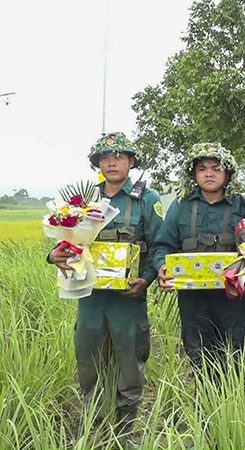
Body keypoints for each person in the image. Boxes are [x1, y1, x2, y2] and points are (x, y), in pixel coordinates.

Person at [48, 132, 163, 438]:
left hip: (128, 297)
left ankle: (126, 433)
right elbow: (63, 242)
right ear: (97, 163)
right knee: (88, 362)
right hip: (90, 295)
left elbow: (160, 245)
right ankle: (95, 431)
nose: (112, 162)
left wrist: (148, 278)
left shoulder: (147, 200)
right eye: (106, 158)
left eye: (119, 157)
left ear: (131, 162)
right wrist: (54, 255)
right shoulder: (83, 201)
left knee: (130, 365)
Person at [152, 143, 245, 373]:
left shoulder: (243, 206)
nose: (209, 173)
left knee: (233, 356)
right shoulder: (181, 207)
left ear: (227, 173)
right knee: (199, 357)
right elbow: (162, 246)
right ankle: (205, 406)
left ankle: (232, 406)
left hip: (232, 299)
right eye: (202, 168)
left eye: (216, 168)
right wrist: (162, 268)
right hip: (193, 300)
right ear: (194, 174)